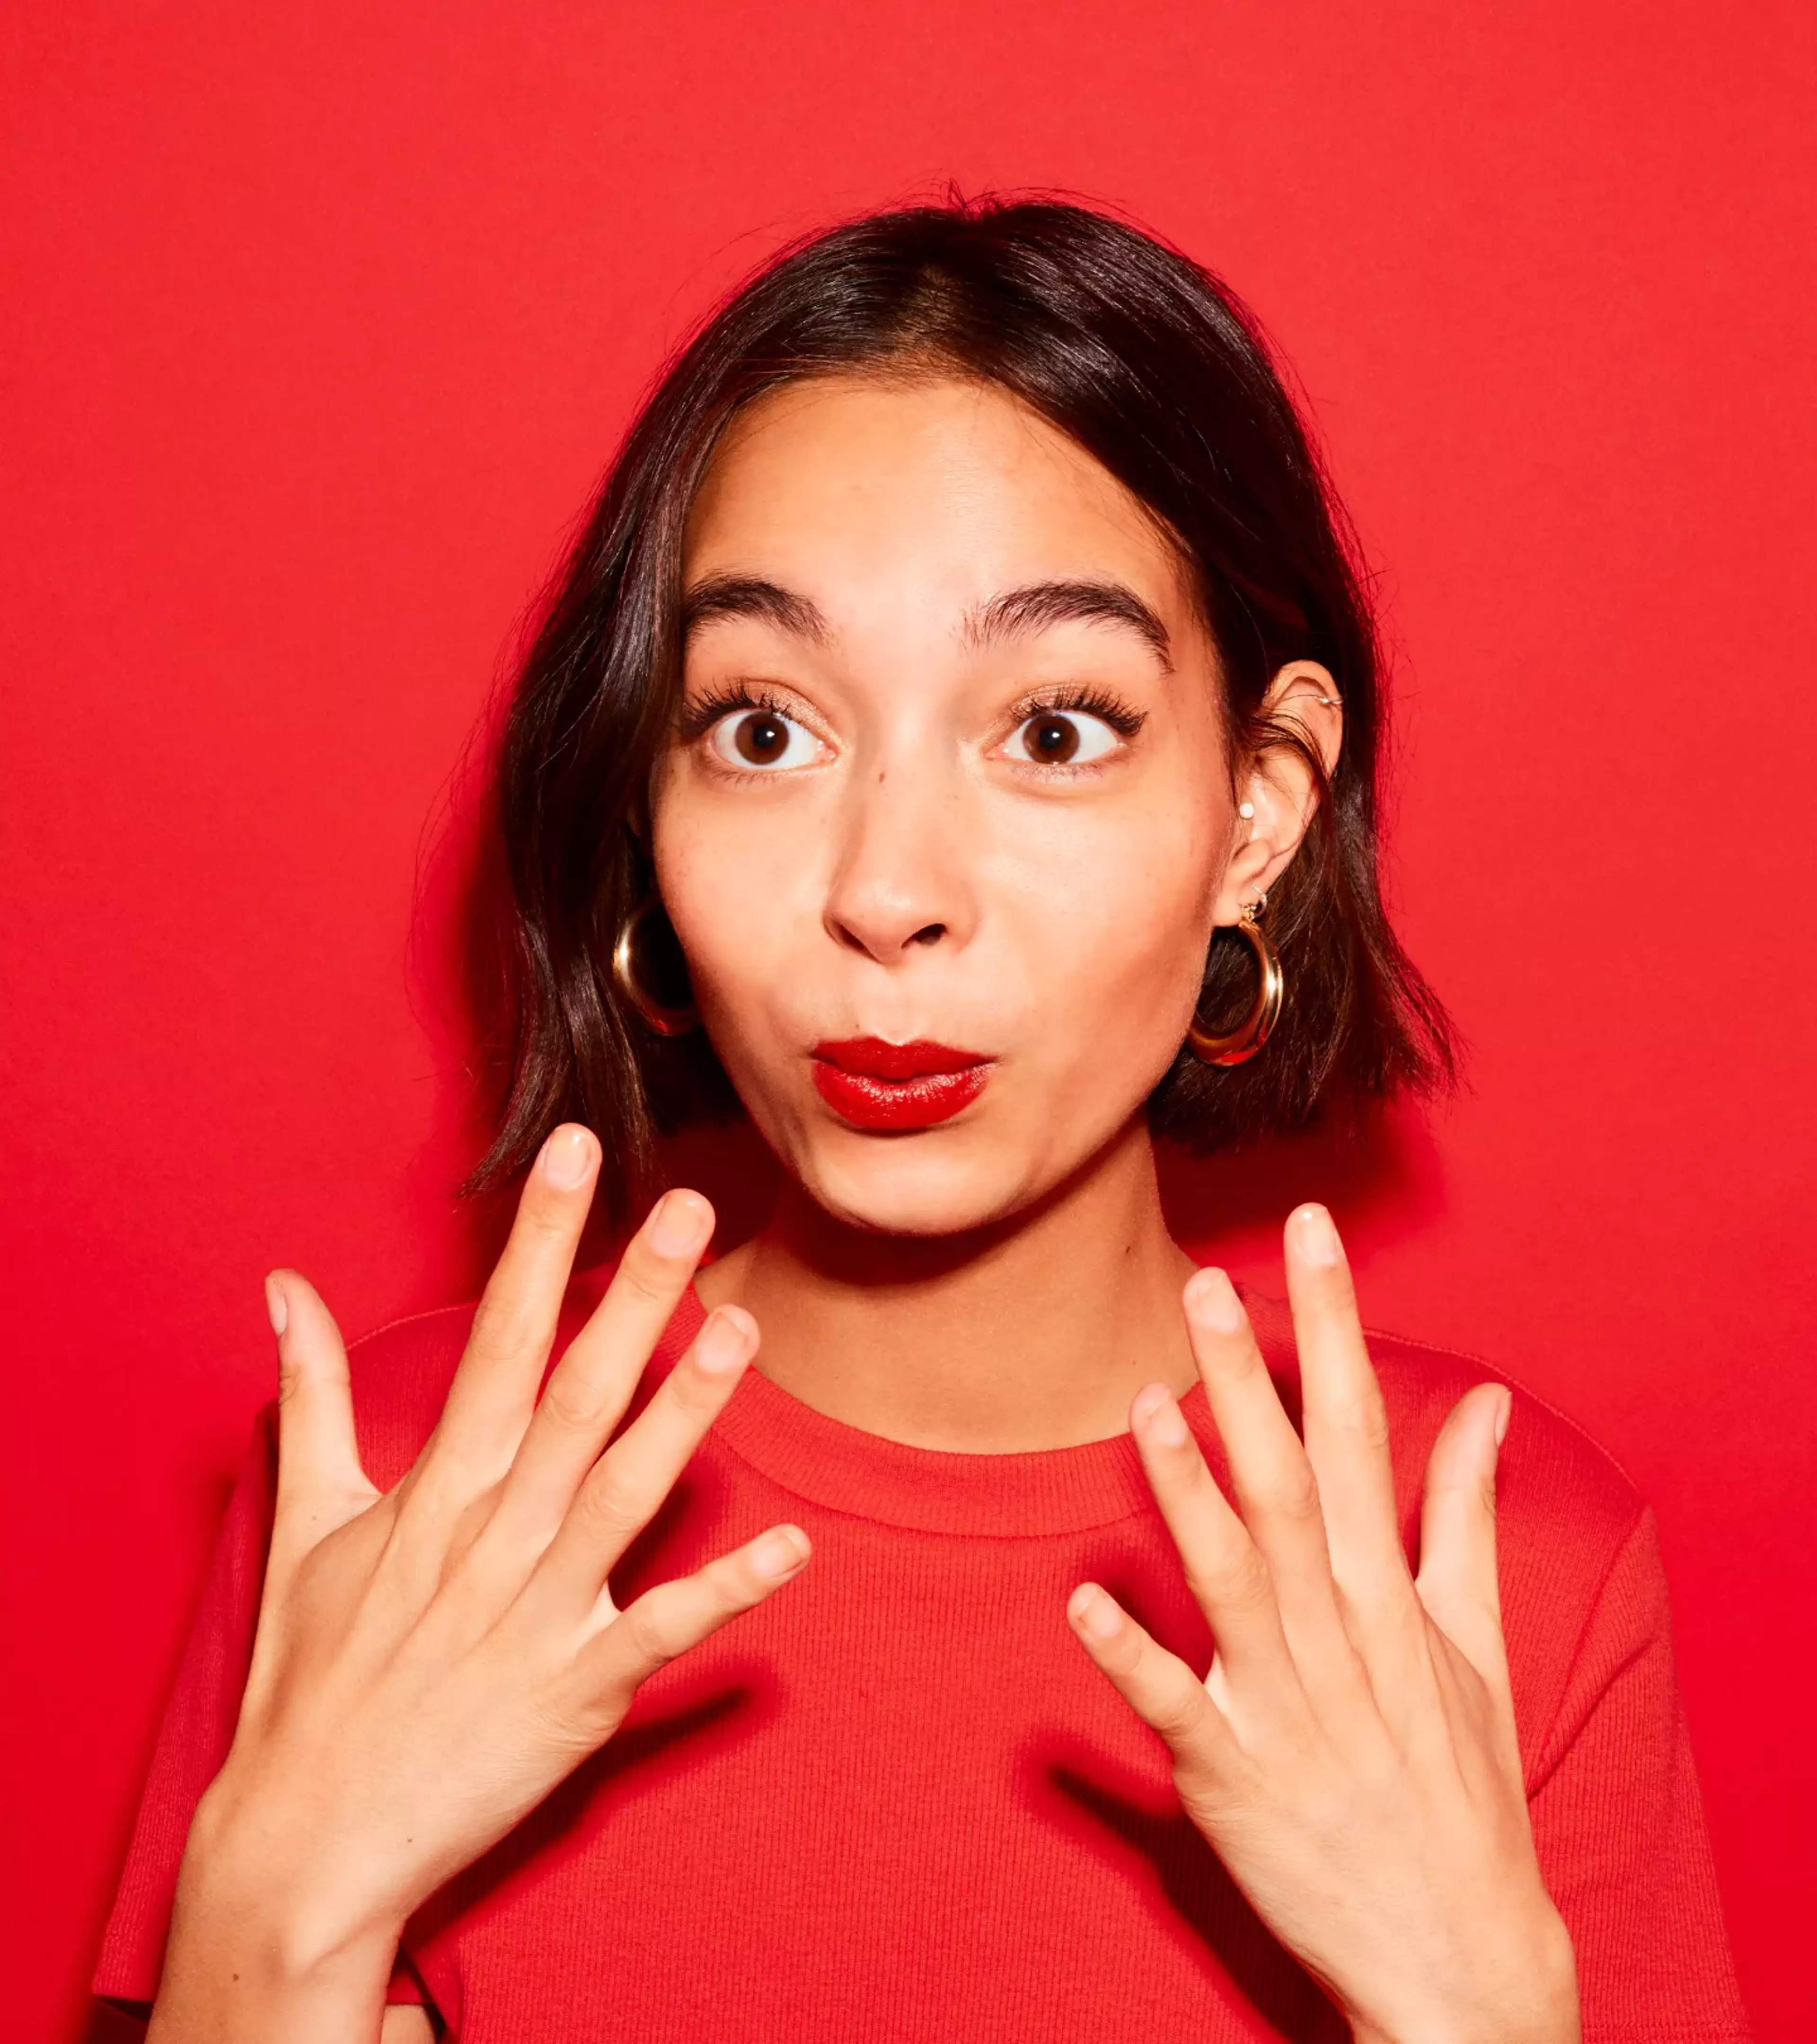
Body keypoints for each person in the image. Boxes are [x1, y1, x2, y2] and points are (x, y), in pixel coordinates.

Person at [95, 197, 1751, 2043]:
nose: (887, 889)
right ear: (643, 801)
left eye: (1054, 728)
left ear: (1258, 809)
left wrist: (1481, 2013)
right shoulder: (397, 1509)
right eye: (763, 728)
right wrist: (268, 1924)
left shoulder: (1496, 1578)